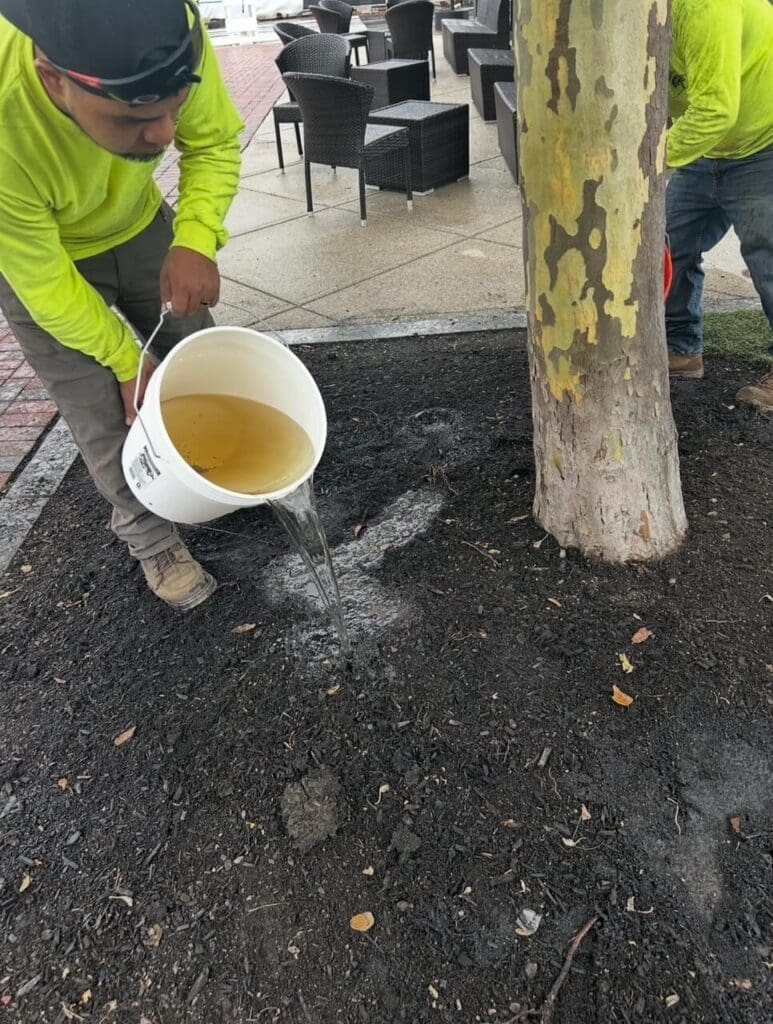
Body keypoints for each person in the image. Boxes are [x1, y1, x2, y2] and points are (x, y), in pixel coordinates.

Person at [0, 0, 243, 609]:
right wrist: (125, 358)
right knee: (106, 411)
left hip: (138, 224)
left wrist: (194, 238)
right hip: (42, 256)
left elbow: (211, 143)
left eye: (173, 106)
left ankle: (216, 473)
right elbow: (45, 281)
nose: (163, 134)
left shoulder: (173, 29)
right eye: (133, 116)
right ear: (54, 79)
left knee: (193, 359)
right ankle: (150, 538)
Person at [665, 0, 773, 412]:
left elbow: (715, 109)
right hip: (704, 146)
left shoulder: (706, 6)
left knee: (768, 260)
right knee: (673, 245)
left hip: (763, 142)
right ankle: (681, 348)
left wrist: (647, 160)